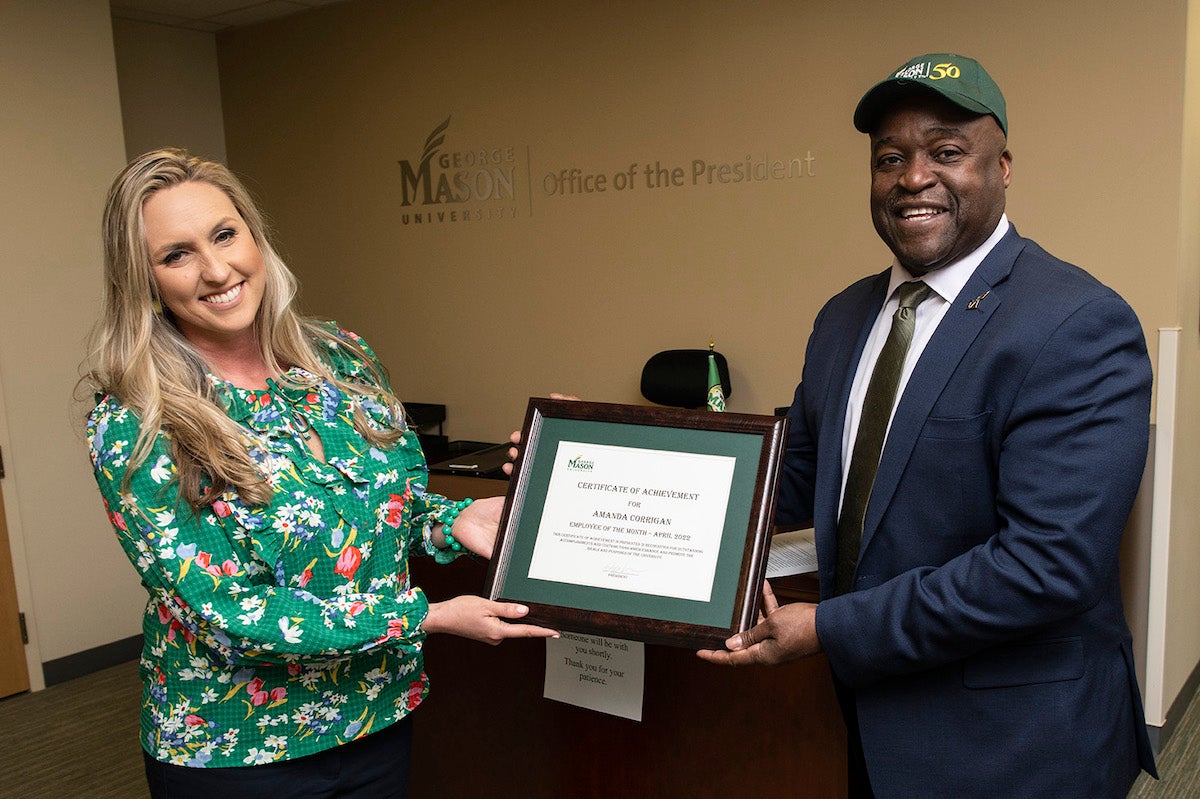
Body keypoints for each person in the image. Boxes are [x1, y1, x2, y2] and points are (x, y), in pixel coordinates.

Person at [698, 54, 1158, 797]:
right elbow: (795, 479)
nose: (913, 177)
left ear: (1003, 167)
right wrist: (591, 463)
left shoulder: (1076, 322)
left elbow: (1045, 566)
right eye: (890, 159)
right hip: (875, 725)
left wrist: (829, 629)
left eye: (946, 152)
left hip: (1019, 744)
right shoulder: (843, 317)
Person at [84, 148, 557, 798]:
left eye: (225, 234)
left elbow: (392, 506)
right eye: (176, 254)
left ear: (254, 234)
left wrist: (452, 520)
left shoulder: (341, 357)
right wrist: (427, 616)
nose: (216, 268)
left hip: (375, 712)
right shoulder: (135, 424)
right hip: (233, 750)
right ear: (143, 279)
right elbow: (226, 611)